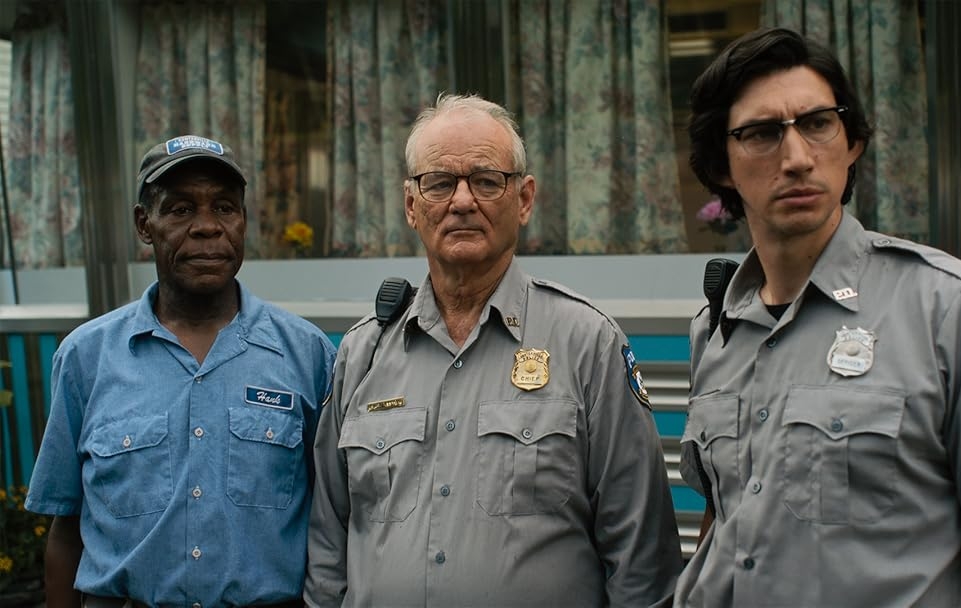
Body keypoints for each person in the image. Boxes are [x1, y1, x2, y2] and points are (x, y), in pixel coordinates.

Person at [675, 26, 961, 608]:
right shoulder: (716, 326)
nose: (795, 158)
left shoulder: (952, 307)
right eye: (762, 134)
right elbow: (731, 522)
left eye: (817, 123)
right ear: (720, 166)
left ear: (853, 142)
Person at [304, 94, 682, 607]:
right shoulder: (361, 353)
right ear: (412, 206)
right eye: (440, 182)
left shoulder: (587, 342)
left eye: (486, 181)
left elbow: (641, 559)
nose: (462, 201)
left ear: (524, 199)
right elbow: (328, 544)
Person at [25, 135, 336, 607]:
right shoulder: (86, 358)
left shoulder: (307, 355)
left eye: (225, 208)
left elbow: (333, 523)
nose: (207, 228)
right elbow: (66, 532)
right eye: (180, 209)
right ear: (143, 224)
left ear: (244, 221)